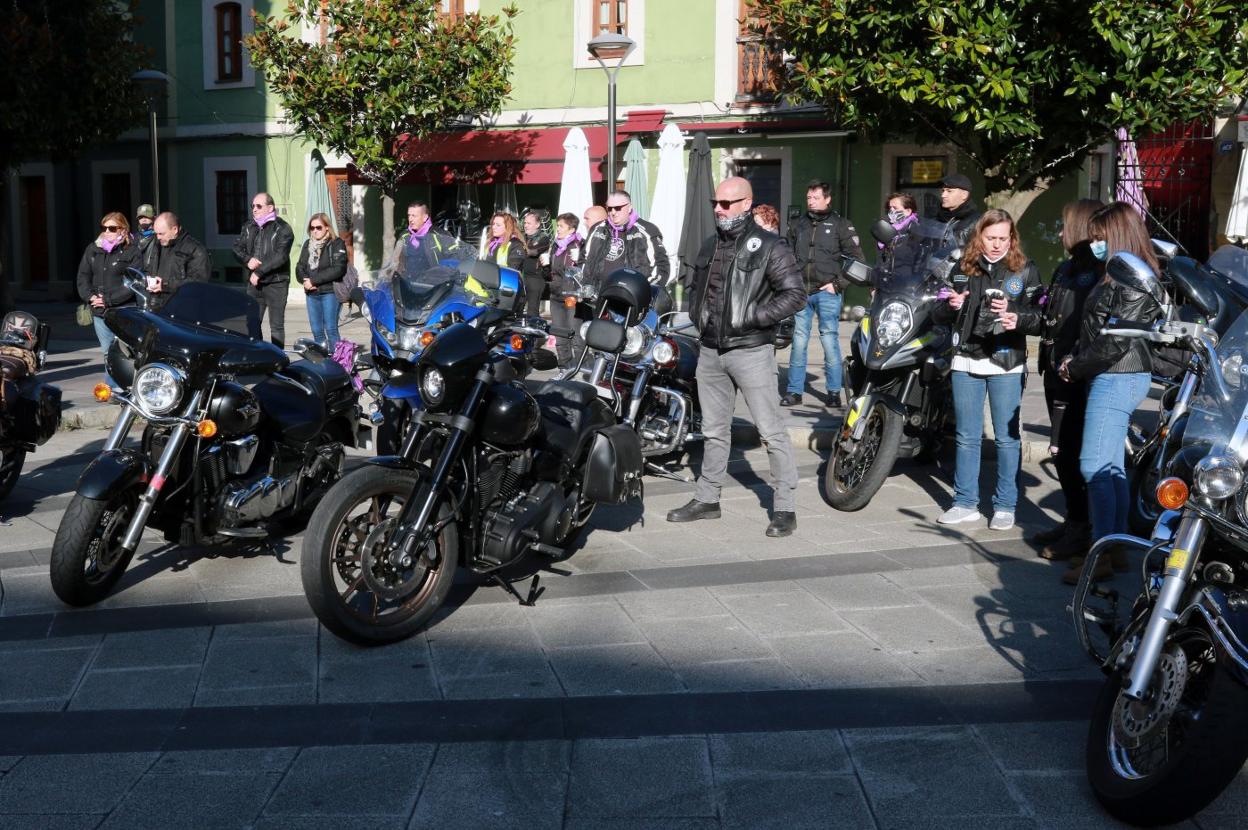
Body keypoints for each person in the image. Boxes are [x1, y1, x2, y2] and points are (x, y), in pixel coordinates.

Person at [667, 176, 805, 537]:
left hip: (751, 350)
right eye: (716, 202)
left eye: (727, 203)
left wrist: (752, 318)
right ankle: (707, 498)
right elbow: (697, 288)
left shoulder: (771, 246)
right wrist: (697, 318)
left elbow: (794, 295)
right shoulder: (711, 244)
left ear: (747, 203)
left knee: (771, 431)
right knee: (712, 431)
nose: (718, 208)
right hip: (710, 350)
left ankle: (785, 507)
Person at [1059, 201, 1164, 584]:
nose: (1096, 244)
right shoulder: (1118, 274)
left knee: (1094, 466)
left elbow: (1116, 340)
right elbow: (1100, 332)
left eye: (1101, 237)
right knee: (1112, 466)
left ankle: (1100, 553)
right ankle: (1115, 546)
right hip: (1114, 373)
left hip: (1118, 375)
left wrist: (1076, 364)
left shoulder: (1132, 277)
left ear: (1118, 235)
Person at [934, 209, 1043, 531]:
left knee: (1006, 438)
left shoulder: (1025, 269)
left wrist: (1016, 317)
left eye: (1003, 238)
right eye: (990, 238)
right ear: (978, 237)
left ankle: (1005, 505)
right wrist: (949, 305)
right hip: (965, 359)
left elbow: (1041, 318)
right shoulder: (962, 268)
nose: (996, 245)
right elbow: (939, 314)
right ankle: (965, 502)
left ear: (1012, 239)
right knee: (967, 436)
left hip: (1006, 361)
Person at [1031, 199, 1104, 562]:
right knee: (1060, 452)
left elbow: (1093, 328)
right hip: (1053, 368)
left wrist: (1074, 362)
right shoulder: (1066, 269)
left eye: (1065, 225)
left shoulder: (1100, 271)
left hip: (1075, 374)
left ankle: (1082, 528)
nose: (1061, 233)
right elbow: (1048, 316)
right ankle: (1073, 519)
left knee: (1072, 452)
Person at [783, 179, 863, 409]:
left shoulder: (841, 224)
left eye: (816, 197)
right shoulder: (797, 224)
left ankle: (833, 392)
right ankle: (794, 391)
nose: (811, 201)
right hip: (801, 292)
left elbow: (857, 259)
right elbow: (786, 255)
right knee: (798, 342)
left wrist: (838, 284)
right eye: (809, 197)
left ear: (827, 199)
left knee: (829, 340)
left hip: (827, 291)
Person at [76, 211, 140, 370]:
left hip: (124, 311)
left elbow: (134, 283)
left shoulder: (133, 251)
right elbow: (83, 276)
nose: (106, 232)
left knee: (126, 353)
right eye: (104, 228)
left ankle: (129, 389)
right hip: (99, 312)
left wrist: (108, 300)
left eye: (112, 228)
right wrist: (90, 297)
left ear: (123, 230)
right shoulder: (93, 249)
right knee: (107, 353)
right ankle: (111, 391)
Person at [232, 192, 294, 348]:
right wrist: (248, 260)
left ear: (270, 207)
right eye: (252, 206)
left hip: (276, 283)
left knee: (276, 326)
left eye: (259, 206)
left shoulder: (283, 228)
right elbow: (236, 248)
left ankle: (278, 361)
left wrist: (259, 272)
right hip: (254, 284)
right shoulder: (248, 226)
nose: (254, 209)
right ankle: (259, 355)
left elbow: (281, 256)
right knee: (252, 323)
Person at [582, 189, 670, 288]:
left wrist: (648, 289)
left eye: (618, 208)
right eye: (609, 209)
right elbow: (583, 258)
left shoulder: (647, 230)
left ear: (629, 208)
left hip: (632, 295)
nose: (613, 212)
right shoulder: (598, 228)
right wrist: (584, 285)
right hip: (597, 294)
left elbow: (661, 265)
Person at [297, 211, 349, 348]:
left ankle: (338, 362)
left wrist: (313, 281)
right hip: (311, 294)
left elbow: (338, 269)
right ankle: (323, 364)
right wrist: (305, 280)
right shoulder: (308, 244)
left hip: (330, 292)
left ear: (327, 227)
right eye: (312, 228)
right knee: (317, 331)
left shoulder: (336, 243)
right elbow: (299, 267)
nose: (315, 231)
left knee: (331, 329)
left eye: (318, 227)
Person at [147, 211, 210, 312]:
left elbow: (199, 282)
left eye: (161, 233)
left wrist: (165, 285)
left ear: (175, 229)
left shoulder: (194, 249)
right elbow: (151, 269)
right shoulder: (158, 245)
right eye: (156, 234)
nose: (158, 237)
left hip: (184, 309)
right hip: (158, 306)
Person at [384, 201, 459, 281]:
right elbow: (396, 261)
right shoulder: (404, 236)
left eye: (414, 216)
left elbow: (455, 260)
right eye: (409, 215)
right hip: (408, 285)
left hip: (434, 285)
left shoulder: (441, 235)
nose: (410, 219)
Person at [549, 212, 585, 370]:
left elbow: (587, 269)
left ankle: (580, 367)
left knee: (575, 333)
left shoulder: (580, 245)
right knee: (559, 332)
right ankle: (564, 366)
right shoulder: (556, 245)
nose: (558, 229)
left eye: (561, 226)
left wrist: (581, 259)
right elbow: (552, 271)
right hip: (556, 294)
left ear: (571, 229)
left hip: (572, 294)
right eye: (558, 226)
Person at [935, 173, 981, 249]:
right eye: (943, 191)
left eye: (949, 191)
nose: (943, 195)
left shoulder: (977, 222)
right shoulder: (939, 218)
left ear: (964, 195)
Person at [520, 209, 552, 317]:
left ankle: (532, 332)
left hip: (535, 277)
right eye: (525, 223)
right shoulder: (522, 236)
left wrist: (520, 249)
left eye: (529, 223)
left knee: (532, 309)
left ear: (537, 224)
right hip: (521, 275)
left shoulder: (543, 238)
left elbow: (533, 252)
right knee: (518, 305)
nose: (526, 225)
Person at [134, 203, 159, 273]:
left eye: (147, 216)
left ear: (154, 218)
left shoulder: (160, 237)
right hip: (138, 276)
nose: (143, 219)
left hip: (154, 276)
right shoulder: (134, 238)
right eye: (140, 217)